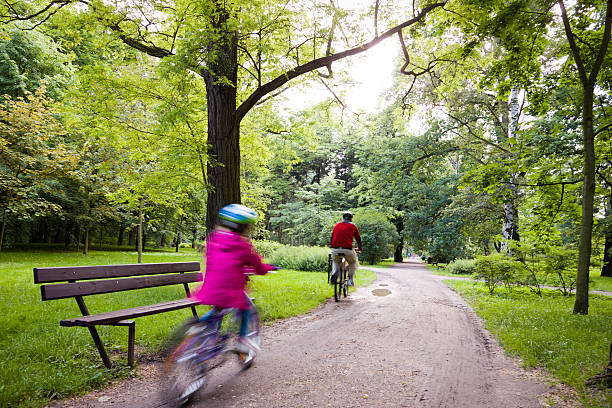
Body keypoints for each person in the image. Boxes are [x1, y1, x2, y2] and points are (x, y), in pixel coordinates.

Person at [192, 204, 276, 356]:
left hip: (210, 288)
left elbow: (224, 263)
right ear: (242, 227)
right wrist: (267, 268)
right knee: (246, 307)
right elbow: (257, 265)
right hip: (230, 292)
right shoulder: (242, 245)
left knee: (217, 310)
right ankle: (242, 340)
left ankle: (199, 326)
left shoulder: (214, 239)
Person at [330, 211, 362, 287]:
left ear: (343, 218)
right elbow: (358, 238)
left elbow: (331, 237)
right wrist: (359, 248)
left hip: (335, 249)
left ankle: (335, 271)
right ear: (351, 219)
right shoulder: (353, 226)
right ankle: (350, 280)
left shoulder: (337, 225)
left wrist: (331, 246)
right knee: (352, 262)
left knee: (336, 261)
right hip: (347, 249)